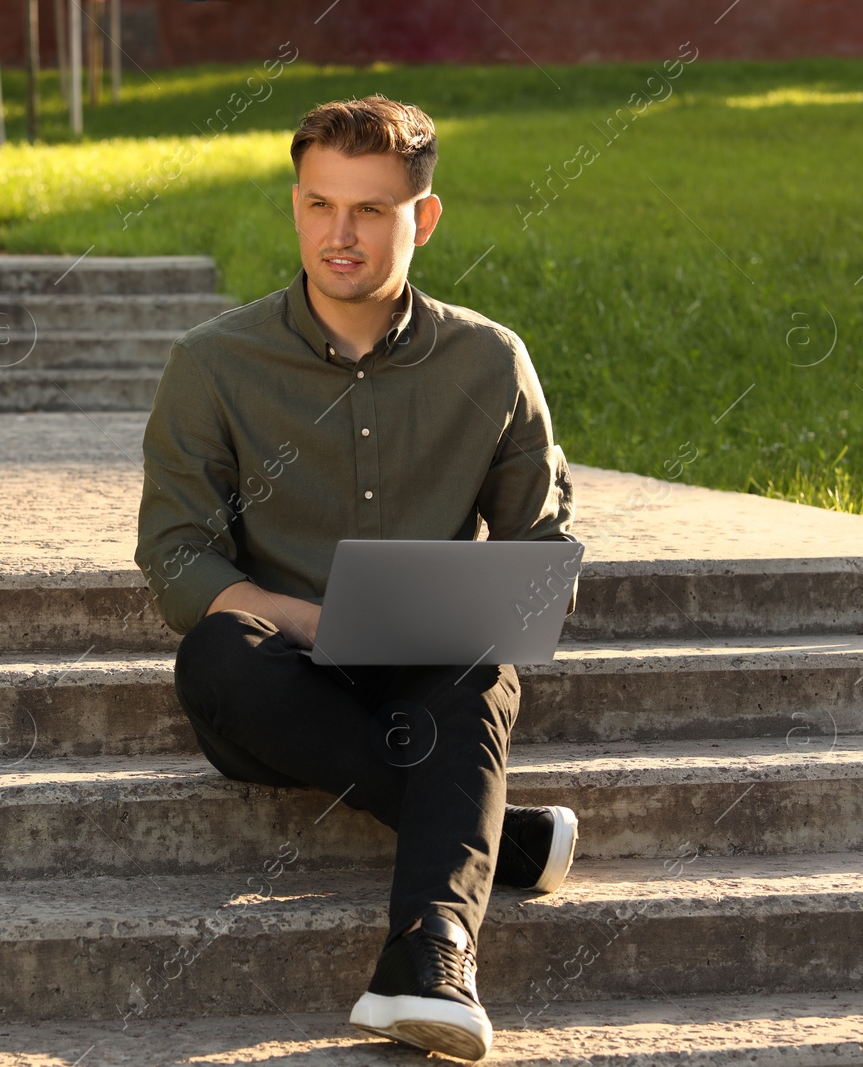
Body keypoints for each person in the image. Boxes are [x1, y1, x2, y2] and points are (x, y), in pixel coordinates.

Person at [134, 94, 578, 1062]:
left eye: (369, 210)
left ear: (421, 218)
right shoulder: (212, 364)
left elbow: (538, 551)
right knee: (214, 653)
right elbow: (174, 556)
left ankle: (427, 964)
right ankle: (497, 838)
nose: (338, 234)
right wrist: (312, 617)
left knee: (480, 666)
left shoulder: (491, 361)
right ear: (294, 204)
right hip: (278, 674)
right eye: (318, 204)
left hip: (429, 668)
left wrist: (476, 609)